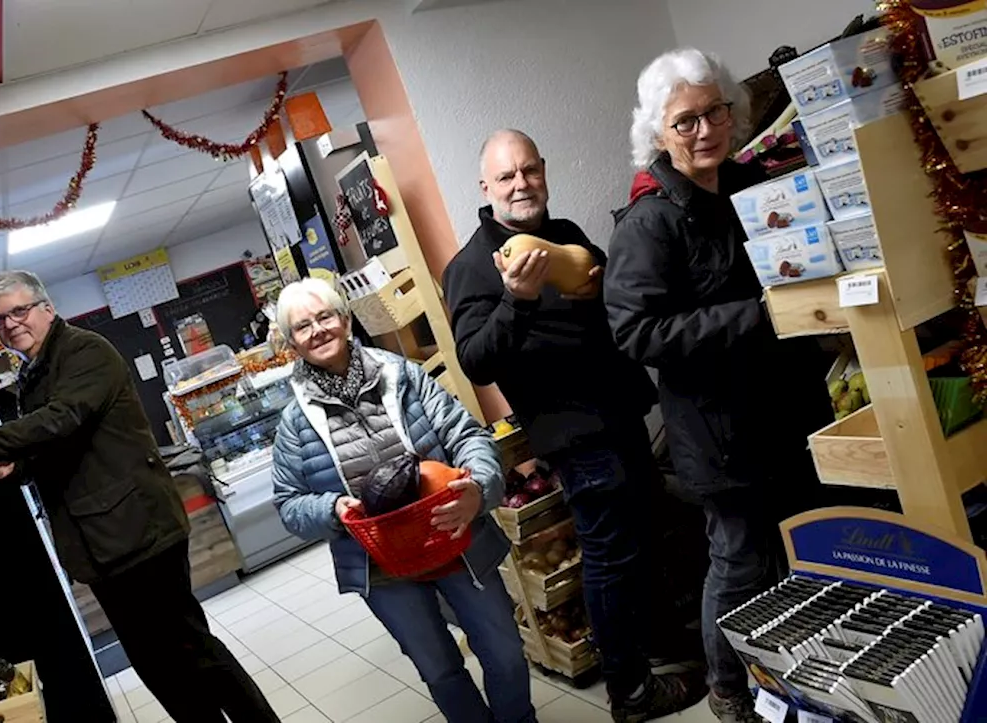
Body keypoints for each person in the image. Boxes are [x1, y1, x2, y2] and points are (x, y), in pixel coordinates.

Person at [0, 270, 279, 723]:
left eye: (19, 310)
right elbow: (62, 446)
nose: (11, 324)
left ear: (47, 308)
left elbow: (60, 420)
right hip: (101, 543)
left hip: (139, 531)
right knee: (154, 663)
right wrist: (16, 466)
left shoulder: (84, 351)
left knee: (190, 648)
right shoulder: (34, 372)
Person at [442, 129, 706, 723]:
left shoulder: (564, 235)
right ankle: (631, 693)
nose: (521, 184)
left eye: (530, 170)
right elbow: (477, 359)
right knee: (609, 556)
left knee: (643, 538)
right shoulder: (472, 268)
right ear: (485, 188)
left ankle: (659, 645)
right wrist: (517, 299)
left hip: (621, 412)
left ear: (543, 170)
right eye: (506, 177)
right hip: (575, 435)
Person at [603, 50, 832, 723]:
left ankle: (792, 677)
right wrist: (753, 317)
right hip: (717, 432)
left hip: (784, 411)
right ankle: (727, 689)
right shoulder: (648, 223)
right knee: (738, 561)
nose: (705, 129)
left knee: (795, 547)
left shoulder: (750, 187)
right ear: (659, 134)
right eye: (685, 121)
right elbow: (637, 332)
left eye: (715, 111)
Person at [269, 278, 535, 723]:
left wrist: (478, 490)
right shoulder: (294, 425)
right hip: (381, 568)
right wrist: (331, 510)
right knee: (440, 670)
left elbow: (467, 435)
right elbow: (289, 503)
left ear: (346, 320)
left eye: (325, 317)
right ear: (293, 342)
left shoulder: (402, 375)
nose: (317, 330)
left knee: (506, 653)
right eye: (302, 327)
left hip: (454, 540)